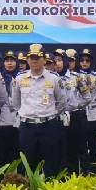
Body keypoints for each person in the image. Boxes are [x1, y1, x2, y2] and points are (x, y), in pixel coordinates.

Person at [11, 44, 67, 178]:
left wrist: (49, 115)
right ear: (27, 60)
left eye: (37, 57)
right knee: (27, 165)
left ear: (44, 59)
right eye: (31, 58)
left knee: (51, 165)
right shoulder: (19, 79)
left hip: (48, 126)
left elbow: (61, 103)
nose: (34, 60)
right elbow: (16, 103)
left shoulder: (54, 79)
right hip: (27, 127)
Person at [59, 49, 92, 174]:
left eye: (72, 60)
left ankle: (84, 174)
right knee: (63, 149)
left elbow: (87, 97)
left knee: (81, 147)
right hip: (58, 117)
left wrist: (74, 106)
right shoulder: (52, 77)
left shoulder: (77, 78)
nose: (70, 63)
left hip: (76, 116)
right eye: (68, 60)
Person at [0, 50, 20, 169]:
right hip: (3, 121)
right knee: (2, 155)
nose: (9, 63)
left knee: (18, 155)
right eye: (7, 61)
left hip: (20, 122)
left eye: (12, 60)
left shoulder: (22, 76)